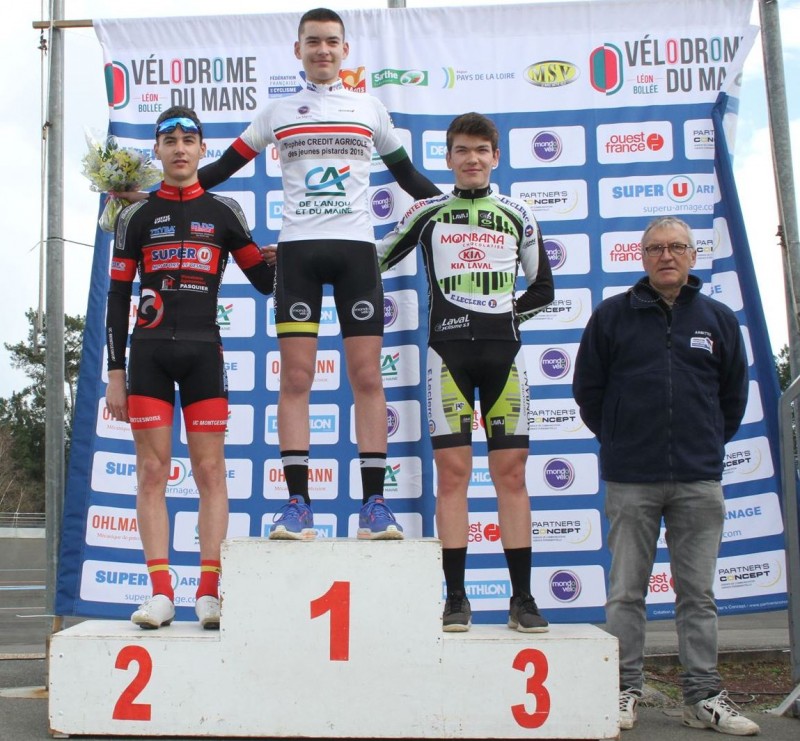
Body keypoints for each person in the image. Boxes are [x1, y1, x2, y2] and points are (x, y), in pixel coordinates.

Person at [196, 7, 440, 541]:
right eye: (313, 41)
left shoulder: (368, 108)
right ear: (298, 49)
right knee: (297, 379)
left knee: (368, 378)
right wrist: (154, 193)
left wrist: (457, 206)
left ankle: (374, 506)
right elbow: (218, 171)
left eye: (331, 41)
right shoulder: (277, 112)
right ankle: (298, 506)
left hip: (357, 256)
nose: (323, 50)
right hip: (298, 256)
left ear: (345, 50)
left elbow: (409, 177)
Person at [572, 216, 759, 735]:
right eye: (655, 248)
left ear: (693, 256)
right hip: (631, 477)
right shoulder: (612, 317)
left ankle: (702, 697)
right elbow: (588, 391)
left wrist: (706, 443)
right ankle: (623, 689)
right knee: (626, 592)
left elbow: (733, 397)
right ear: (642, 257)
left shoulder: (718, 319)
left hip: (698, 478)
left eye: (677, 246)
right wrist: (619, 438)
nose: (666, 256)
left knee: (697, 595)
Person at [377, 112, 554, 632]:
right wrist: (303, 256)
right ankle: (455, 598)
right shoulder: (428, 211)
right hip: (447, 356)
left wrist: (504, 313)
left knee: (511, 474)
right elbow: (373, 259)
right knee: (452, 475)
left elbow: (543, 288)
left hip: (505, 357)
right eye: (462, 150)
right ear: (449, 157)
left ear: (495, 157)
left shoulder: (518, 212)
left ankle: (522, 599)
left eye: (481, 150)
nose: (472, 159)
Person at [105, 106, 276, 630]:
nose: (179, 149)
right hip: (149, 355)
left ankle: (208, 592)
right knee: (151, 471)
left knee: (209, 472)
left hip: (204, 353)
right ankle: (160, 592)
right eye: (170, 140)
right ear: (156, 151)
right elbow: (117, 296)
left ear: (203, 149)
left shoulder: (224, 211)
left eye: (188, 140)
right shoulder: (133, 216)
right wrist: (115, 372)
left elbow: (264, 283)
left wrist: (285, 255)